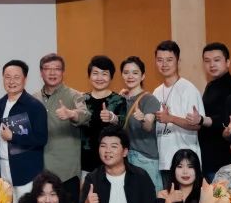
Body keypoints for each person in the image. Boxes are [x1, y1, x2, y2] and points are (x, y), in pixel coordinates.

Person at [36, 53, 90, 198]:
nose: (52, 72)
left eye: (57, 69)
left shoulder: (74, 95)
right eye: (47, 68)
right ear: (41, 72)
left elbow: (85, 115)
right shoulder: (34, 98)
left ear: (63, 72)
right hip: (40, 168)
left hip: (67, 170)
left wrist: (71, 113)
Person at [0, 59, 48, 200]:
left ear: (25, 79)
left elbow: (41, 139)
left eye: (16, 77)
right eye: (7, 77)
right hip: (2, 168)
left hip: (27, 171)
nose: (11, 81)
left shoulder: (35, 106)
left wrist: (13, 137)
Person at [152, 41, 203, 187]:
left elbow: (196, 125)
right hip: (164, 162)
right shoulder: (156, 92)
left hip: (185, 163)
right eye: (160, 60)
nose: (164, 64)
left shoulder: (188, 89)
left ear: (178, 61)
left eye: (169, 60)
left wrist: (170, 118)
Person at [79, 56, 128, 176]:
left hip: (111, 161)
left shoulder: (119, 100)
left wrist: (112, 118)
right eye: (95, 73)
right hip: (85, 162)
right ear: (89, 76)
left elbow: (123, 123)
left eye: (104, 74)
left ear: (111, 77)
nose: (99, 78)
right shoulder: (81, 100)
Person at [198, 43, 231, 180]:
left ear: (227, 62)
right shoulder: (211, 85)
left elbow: (226, 119)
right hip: (209, 155)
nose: (212, 65)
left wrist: (202, 120)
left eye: (217, 60)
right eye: (207, 61)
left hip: (223, 158)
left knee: (221, 193)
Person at [119, 56, 161, 184]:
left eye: (135, 73)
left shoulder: (149, 99)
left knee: (150, 195)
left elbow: (148, 126)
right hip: (125, 157)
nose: (130, 76)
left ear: (143, 76)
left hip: (145, 158)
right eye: (126, 72)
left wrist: (143, 119)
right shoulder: (121, 99)